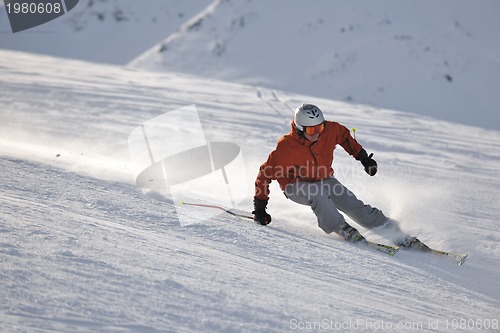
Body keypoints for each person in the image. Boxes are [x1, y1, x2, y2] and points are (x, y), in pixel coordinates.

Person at [252, 103, 425, 248]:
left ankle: (389, 228)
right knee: (317, 194)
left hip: (324, 178)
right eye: (312, 130)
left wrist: (364, 159)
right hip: (295, 184)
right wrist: (260, 208)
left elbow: (345, 138)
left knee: (352, 204)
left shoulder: (330, 130)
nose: (318, 133)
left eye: (319, 127)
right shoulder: (286, 147)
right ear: (299, 129)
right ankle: (341, 228)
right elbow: (265, 174)